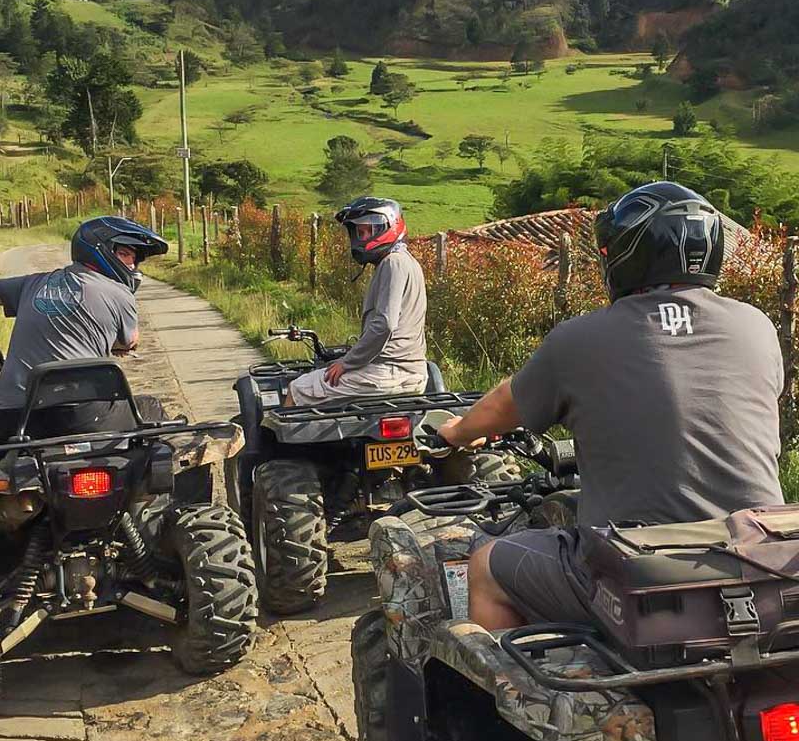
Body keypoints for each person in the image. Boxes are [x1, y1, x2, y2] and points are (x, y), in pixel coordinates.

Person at [435, 182, 785, 631]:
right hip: (762, 561)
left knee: (485, 568)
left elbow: (505, 403)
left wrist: (456, 433)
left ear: (626, 256)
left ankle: (514, 699)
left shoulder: (580, 339)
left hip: (642, 576)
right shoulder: (757, 326)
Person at [0, 216, 168, 445]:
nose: (132, 264)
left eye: (135, 258)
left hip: (15, 417)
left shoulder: (33, 283)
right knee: (151, 413)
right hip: (85, 417)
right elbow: (129, 341)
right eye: (125, 254)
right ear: (101, 250)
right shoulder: (120, 294)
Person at [284, 196, 428, 405]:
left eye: (367, 231)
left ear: (387, 226)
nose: (361, 239)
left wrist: (348, 363)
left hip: (388, 372)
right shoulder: (407, 262)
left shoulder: (392, 263)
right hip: (409, 372)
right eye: (358, 233)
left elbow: (384, 325)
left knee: (297, 389)